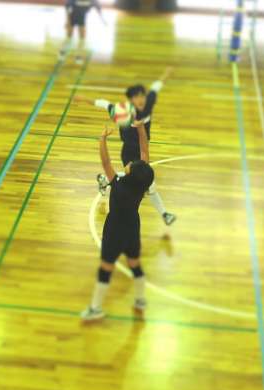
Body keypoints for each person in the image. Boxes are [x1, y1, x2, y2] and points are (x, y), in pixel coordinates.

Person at [75, 67, 176, 226]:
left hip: (143, 149)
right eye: (136, 97)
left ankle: (105, 181)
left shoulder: (148, 103)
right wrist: (85, 99)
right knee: (145, 184)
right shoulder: (122, 111)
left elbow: (156, 87)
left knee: (141, 183)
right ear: (131, 100)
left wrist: (166, 74)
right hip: (129, 151)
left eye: (142, 96)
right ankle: (164, 214)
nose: (141, 99)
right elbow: (104, 104)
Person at [81, 122, 154, 321]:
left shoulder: (119, 185)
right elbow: (144, 151)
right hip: (132, 226)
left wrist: (102, 139)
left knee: (106, 267)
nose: (130, 163)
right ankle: (140, 300)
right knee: (134, 263)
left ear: (130, 173)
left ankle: (96, 308)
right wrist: (141, 129)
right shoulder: (142, 183)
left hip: (115, 229)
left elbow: (106, 162)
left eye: (131, 165)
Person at [59, 0, 103, 64]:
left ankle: (78, 56)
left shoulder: (92, 1)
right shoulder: (73, 1)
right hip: (72, 18)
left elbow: (98, 7)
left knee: (82, 39)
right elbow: (67, 8)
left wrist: (102, 19)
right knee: (69, 37)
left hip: (82, 20)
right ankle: (62, 52)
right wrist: (67, 21)